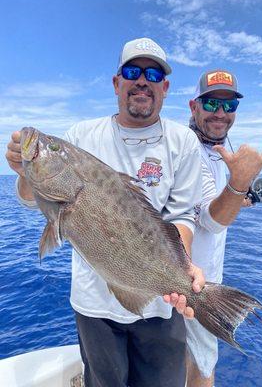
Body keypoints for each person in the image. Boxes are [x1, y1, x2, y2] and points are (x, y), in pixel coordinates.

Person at [6, 37, 205, 387]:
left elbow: (182, 215)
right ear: (117, 83)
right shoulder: (82, 134)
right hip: (94, 308)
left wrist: (181, 268)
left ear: (165, 87)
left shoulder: (182, 141)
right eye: (132, 71)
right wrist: (26, 172)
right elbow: (28, 199)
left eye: (153, 74)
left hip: (162, 307)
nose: (142, 80)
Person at [185, 69, 262, 387]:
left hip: (197, 282)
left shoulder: (219, 153)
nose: (220, 114)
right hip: (191, 285)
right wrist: (238, 184)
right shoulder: (188, 150)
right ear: (194, 107)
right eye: (211, 104)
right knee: (203, 368)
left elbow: (214, 202)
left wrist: (236, 194)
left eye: (229, 105)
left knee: (188, 359)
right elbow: (210, 219)